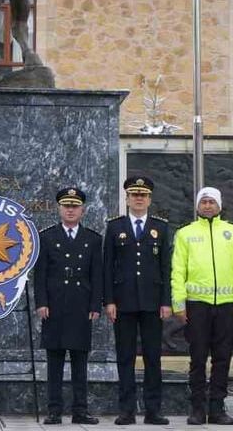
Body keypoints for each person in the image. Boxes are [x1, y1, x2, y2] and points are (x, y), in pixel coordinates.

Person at [172, 187, 233, 426]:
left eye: (211, 202)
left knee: (222, 358)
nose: (207, 206)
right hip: (196, 306)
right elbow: (178, 270)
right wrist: (178, 303)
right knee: (197, 358)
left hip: (227, 306)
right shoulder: (185, 233)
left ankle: (217, 407)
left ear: (219, 205)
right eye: (203, 202)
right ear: (197, 206)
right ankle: (197, 408)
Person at [103, 177, 172, 426]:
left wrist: (166, 302)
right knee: (125, 357)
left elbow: (166, 267)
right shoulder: (115, 227)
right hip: (124, 302)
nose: (139, 199)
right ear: (127, 198)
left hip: (153, 303)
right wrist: (109, 301)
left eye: (143, 195)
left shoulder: (161, 228)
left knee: (153, 357)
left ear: (150, 199)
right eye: (134, 195)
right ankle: (127, 410)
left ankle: (153, 410)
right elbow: (108, 267)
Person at [34, 187, 102, 425]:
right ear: (59, 209)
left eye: (75, 206)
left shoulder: (93, 239)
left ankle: (80, 411)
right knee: (54, 362)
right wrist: (41, 302)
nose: (71, 210)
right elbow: (40, 274)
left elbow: (97, 276)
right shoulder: (47, 237)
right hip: (54, 306)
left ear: (82, 210)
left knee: (80, 362)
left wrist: (96, 305)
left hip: (81, 306)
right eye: (66, 206)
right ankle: (54, 411)